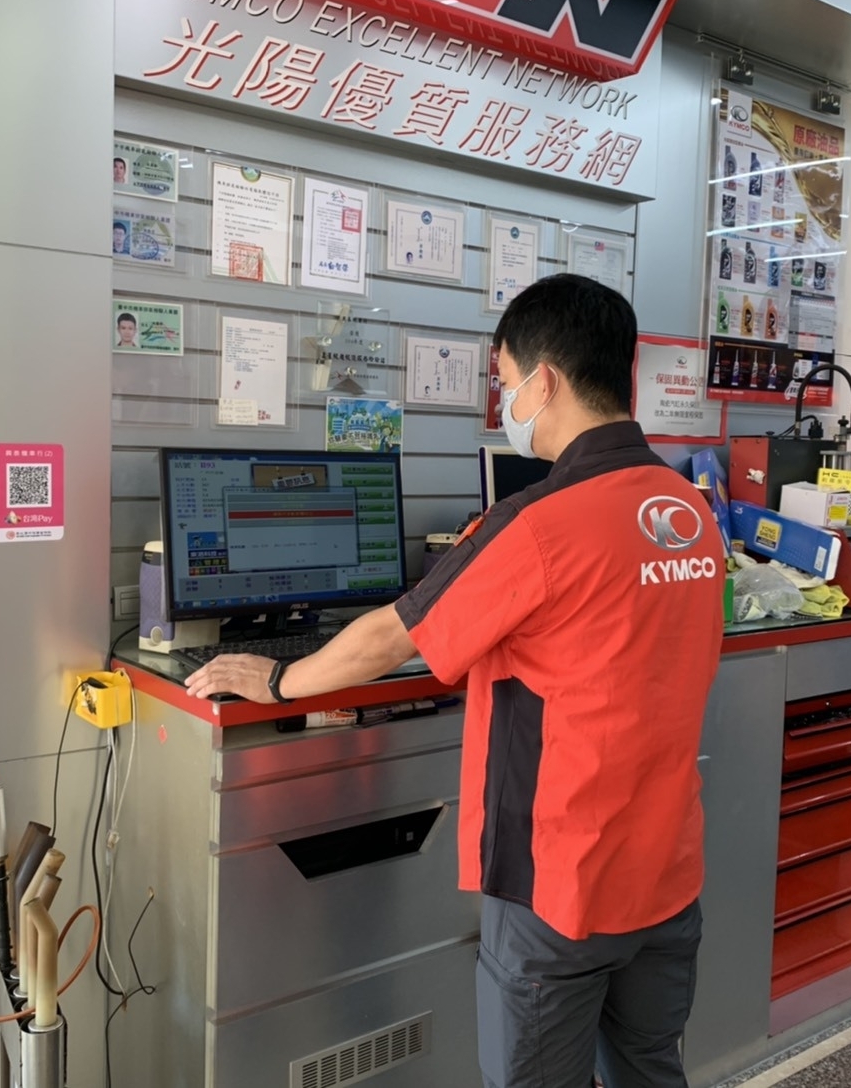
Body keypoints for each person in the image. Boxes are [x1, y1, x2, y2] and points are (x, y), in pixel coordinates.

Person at [185, 273, 725, 1088]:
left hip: (561, 883)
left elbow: (389, 636)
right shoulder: (687, 509)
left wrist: (281, 679)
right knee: (648, 1069)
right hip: (667, 870)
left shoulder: (539, 522)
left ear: (544, 381)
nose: (504, 402)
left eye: (504, 382)